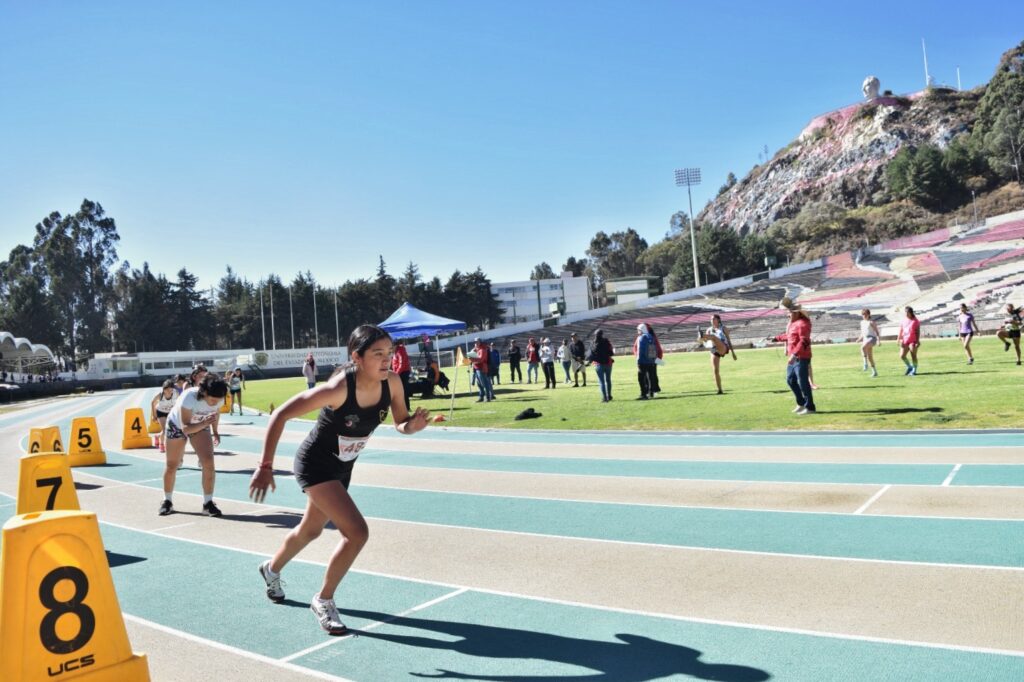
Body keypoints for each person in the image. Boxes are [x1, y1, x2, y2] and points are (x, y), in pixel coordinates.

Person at [249, 324, 430, 635]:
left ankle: (271, 568)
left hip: (342, 467)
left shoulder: (394, 383)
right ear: (356, 357)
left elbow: (400, 421)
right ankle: (324, 599)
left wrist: (411, 427)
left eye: (390, 353)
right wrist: (265, 465)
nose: (387, 360)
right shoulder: (337, 389)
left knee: (310, 531)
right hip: (314, 466)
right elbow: (279, 415)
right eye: (378, 354)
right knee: (357, 532)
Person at [160, 374, 228, 516]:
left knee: (208, 463)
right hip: (177, 426)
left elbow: (215, 414)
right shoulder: (189, 397)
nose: (215, 403)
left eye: (218, 400)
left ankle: (208, 503)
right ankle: (167, 501)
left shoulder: (219, 398)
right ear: (204, 393)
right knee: (172, 464)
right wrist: (204, 423)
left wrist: (215, 430)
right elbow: (185, 428)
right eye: (212, 400)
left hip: (200, 424)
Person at [769, 297, 815, 415]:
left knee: (803, 382)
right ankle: (801, 403)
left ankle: (810, 407)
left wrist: (794, 354)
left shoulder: (803, 324)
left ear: (795, 313)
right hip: (794, 358)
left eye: (788, 313)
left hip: (801, 358)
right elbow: (789, 336)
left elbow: (804, 341)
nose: (787, 315)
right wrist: (776, 338)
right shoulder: (793, 324)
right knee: (790, 380)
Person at [697, 314, 737, 394]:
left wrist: (733, 353)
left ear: (718, 320)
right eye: (711, 319)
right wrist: (700, 339)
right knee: (715, 370)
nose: (712, 320)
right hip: (714, 349)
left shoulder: (723, 328)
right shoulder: (709, 329)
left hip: (723, 347)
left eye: (714, 319)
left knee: (713, 337)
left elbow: (728, 340)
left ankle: (701, 334)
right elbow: (704, 342)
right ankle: (719, 390)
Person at [150, 380, 177, 453]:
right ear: (163, 389)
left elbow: (179, 401)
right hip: (161, 412)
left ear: (172, 389)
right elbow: (153, 402)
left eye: (170, 389)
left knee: (172, 429)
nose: (168, 391)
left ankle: (157, 436)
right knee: (165, 430)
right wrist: (154, 415)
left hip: (170, 413)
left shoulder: (175, 393)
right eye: (166, 389)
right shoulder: (160, 395)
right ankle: (161, 445)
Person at [589, 329, 615, 402]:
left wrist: (589, 362)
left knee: (601, 381)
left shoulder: (593, 343)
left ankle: (604, 398)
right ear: (602, 334)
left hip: (598, 364)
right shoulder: (606, 341)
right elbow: (611, 352)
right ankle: (609, 396)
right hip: (608, 363)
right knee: (608, 380)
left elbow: (591, 355)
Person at [634, 324, 657, 400]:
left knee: (641, 378)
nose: (637, 332)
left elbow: (640, 350)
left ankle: (643, 394)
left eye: (638, 330)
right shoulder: (651, 336)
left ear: (641, 330)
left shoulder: (640, 338)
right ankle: (651, 392)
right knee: (651, 377)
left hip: (642, 361)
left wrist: (638, 360)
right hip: (651, 361)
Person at [856, 309, 881, 377]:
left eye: (865, 314)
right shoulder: (862, 322)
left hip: (872, 339)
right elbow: (863, 333)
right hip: (865, 339)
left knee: (862, 347)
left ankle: (865, 363)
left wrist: (878, 341)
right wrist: (859, 339)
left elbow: (877, 332)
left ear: (869, 315)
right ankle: (875, 372)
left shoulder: (871, 322)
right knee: (870, 357)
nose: (864, 316)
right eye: (863, 314)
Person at [897, 306, 921, 376]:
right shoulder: (904, 320)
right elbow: (901, 330)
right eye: (905, 312)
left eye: (907, 312)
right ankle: (909, 367)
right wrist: (898, 339)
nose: (906, 314)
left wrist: (917, 341)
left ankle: (914, 370)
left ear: (910, 313)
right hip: (905, 340)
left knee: (913, 355)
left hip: (912, 340)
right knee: (902, 356)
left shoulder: (915, 321)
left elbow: (918, 331)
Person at [390, 340, 412, 411]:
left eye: (391, 347)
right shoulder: (395, 352)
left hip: (403, 373)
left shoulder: (400, 350)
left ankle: (406, 407)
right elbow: (394, 364)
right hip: (399, 373)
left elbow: (401, 364)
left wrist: (395, 374)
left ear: (395, 345)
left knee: (403, 391)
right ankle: (400, 407)